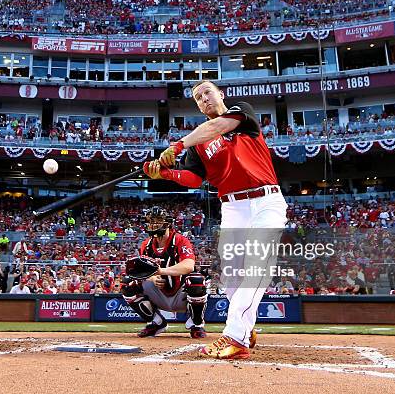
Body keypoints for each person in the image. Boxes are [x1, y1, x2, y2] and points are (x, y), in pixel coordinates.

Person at [144, 79, 288, 359]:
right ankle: (245, 326)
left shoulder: (240, 112)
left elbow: (215, 127)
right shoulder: (199, 146)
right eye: (198, 98)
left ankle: (235, 336)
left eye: (207, 92)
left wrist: (177, 145)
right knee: (232, 276)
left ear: (220, 94)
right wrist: (164, 174)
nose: (204, 99)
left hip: (265, 200)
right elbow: (193, 179)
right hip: (232, 207)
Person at [121, 207, 207, 339]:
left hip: (181, 293)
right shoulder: (146, 244)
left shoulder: (180, 240)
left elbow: (189, 265)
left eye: (158, 220)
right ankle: (156, 322)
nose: (154, 224)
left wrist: (161, 271)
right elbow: (140, 272)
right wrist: (153, 278)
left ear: (167, 222)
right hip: (158, 292)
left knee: (196, 279)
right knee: (128, 282)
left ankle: (196, 324)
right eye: (151, 221)